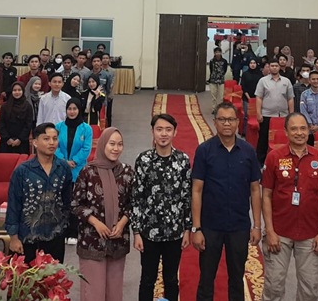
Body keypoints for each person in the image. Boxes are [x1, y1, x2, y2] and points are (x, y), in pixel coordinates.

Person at [192, 102, 262, 301]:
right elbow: (196, 190)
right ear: (215, 122)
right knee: (206, 280)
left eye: (231, 119)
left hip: (239, 226)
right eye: (222, 119)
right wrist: (196, 228)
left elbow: (255, 189)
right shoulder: (204, 150)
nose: (227, 124)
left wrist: (257, 226)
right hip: (210, 226)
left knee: (237, 280)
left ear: (238, 122)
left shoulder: (248, 151)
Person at [261, 113, 318, 301]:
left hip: (311, 234)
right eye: (294, 129)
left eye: (303, 128)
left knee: (309, 290)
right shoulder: (274, 157)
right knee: (273, 287)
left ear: (309, 131)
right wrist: (269, 231)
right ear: (286, 132)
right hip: (279, 233)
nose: (299, 133)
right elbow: (266, 195)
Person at [132, 114, 191, 301]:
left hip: (174, 232)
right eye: (159, 129)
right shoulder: (143, 160)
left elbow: (186, 196)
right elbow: (137, 197)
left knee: (171, 279)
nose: (163, 134)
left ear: (175, 132)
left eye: (168, 130)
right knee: (147, 279)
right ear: (152, 132)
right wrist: (136, 232)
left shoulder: (182, 160)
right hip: (148, 232)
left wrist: (187, 229)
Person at [72, 127, 134, 301]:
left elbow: (133, 203)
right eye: (112, 144)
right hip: (92, 241)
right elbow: (76, 204)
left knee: (115, 294)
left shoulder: (127, 172)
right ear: (102, 145)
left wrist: (122, 223)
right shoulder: (87, 172)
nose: (116, 148)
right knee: (94, 294)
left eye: (120, 144)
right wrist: (96, 223)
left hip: (117, 241)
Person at [6, 122, 72, 263]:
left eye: (55, 139)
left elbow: (67, 201)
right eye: (46, 139)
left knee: (54, 275)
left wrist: (65, 226)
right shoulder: (22, 171)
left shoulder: (63, 168)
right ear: (35, 142)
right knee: (27, 276)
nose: (52, 143)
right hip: (28, 237)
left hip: (55, 236)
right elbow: (13, 205)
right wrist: (13, 237)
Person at [255, 59, 295, 167]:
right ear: (269, 67)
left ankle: (284, 160)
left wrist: (291, 114)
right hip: (267, 115)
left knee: (283, 139)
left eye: (276, 66)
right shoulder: (263, 81)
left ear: (279, 67)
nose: (274, 68)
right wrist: (258, 113)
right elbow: (259, 98)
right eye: (272, 66)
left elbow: (290, 98)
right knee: (263, 139)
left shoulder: (286, 81)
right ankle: (260, 162)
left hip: (283, 116)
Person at [55, 98, 92, 184]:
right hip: (60, 167)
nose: (72, 112)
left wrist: (75, 161)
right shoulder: (58, 127)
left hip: (78, 168)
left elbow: (86, 148)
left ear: (79, 110)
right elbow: (55, 146)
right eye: (69, 109)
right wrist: (64, 161)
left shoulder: (87, 129)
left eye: (75, 109)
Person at [0, 82, 33, 154]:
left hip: (22, 143)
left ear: (23, 91)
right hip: (6, 142)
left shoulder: (28, 106)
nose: (17, 92)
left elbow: (28, 125)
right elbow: (1, 124)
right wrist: (7, 138)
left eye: (19, 90)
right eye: (14, 90)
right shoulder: (5, 106)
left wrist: (20, 139)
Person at [240, 57, 264, 135]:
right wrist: (249, 98)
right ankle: (245, 132)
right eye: (251, 63)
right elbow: (243, 86)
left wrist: (257, 97)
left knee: (258, 115)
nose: (252, 65)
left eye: (254, 63)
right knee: (247, 116)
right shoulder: (245, 74)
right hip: (247, 98)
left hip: (258, 98)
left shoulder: (260, 75)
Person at [207, 48, 229, 114]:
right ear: (214, 53)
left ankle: (221, 109)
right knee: (214, 96)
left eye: (219, 52)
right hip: (213, 80)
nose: (217, 54)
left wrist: (220, 76)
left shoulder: (224, 61)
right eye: (216, 52)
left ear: (221, 53)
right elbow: (211, 70)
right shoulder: (211, 61)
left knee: (221, 96)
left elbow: (225, 70)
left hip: (221, 81)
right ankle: (214, 109)